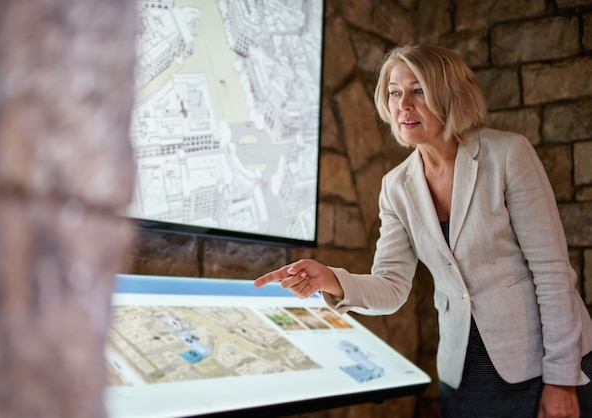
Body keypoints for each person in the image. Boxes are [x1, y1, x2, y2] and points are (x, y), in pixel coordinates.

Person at [254, 44, 592, 418]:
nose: (403, 104)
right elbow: (392, 285)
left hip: (541, 364)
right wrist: (330, 279)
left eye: (417, 90)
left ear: (449, 95)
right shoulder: (395, 186)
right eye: (394, 93)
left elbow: (553, 273)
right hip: (461, 374)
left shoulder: (508, 153)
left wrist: (561, 379)